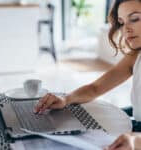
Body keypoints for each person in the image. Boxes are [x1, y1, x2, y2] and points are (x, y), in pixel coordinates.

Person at [34, 0, 141, 149]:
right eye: (121, 23)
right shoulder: (135, 56)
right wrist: (66, 99)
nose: (126, 30)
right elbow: (95, 88)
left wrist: (136, 142)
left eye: (135, 19)